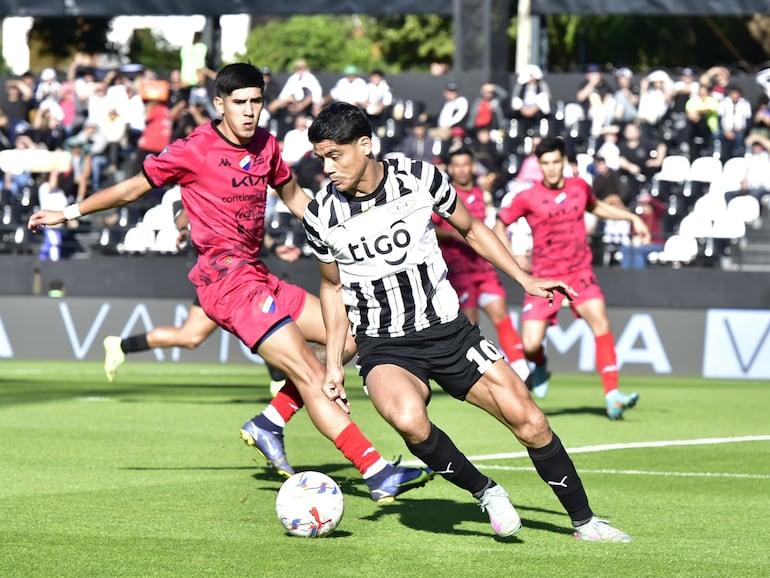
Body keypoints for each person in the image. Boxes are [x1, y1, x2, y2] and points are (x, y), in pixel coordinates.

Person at [28, 63, 431, 502]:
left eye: (256, 101)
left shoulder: (267, 146)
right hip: (226, 283)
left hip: (257, 273)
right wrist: (67, 214)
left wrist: (346, 229)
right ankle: (375, 472)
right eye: (239, 102)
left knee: (350, 332)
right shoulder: (193, 149)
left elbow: (296, 198)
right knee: (314, 374)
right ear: (219, 104)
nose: (249, 111)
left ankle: (270, 422)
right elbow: (131, 190)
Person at [305, 101, 631, 542]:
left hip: (449, 332)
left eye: (334, 155)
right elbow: (332, 287)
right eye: (321, 158)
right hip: (385, 344)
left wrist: (524, 278)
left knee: (531, 421)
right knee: (407, 418)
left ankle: (584, 521)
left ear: (365, 145)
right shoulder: (321, 215)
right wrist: (332, 366)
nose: (328, 168)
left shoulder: (419, 178)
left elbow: (473, 229)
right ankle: (486, 490)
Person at [495, 137, 647, 419]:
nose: (551, 169)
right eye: (545, 163)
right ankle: (540, 365)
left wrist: (631, 218)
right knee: (529, 344)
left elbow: (597, 207)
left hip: (579, 274)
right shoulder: (527, 197)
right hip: (544, 278)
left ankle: (613, 396)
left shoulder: (579, 187)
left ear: (564, 162)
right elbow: (500, 225)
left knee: (601, 324)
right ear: (539, 165)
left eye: (555, 162)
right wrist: (512, 256)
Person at [432, 148, 530, 382]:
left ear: (472, 166)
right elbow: (430, 228)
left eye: (466, 164)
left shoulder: (480, 195)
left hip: (483, 270)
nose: (462, 169)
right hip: (458, 273)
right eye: (457, 165)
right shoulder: (444, 196)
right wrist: (453, 236)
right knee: (471, 324)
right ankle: (478, 374)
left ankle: (522, 370)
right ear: (450, 168)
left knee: (500, 314)